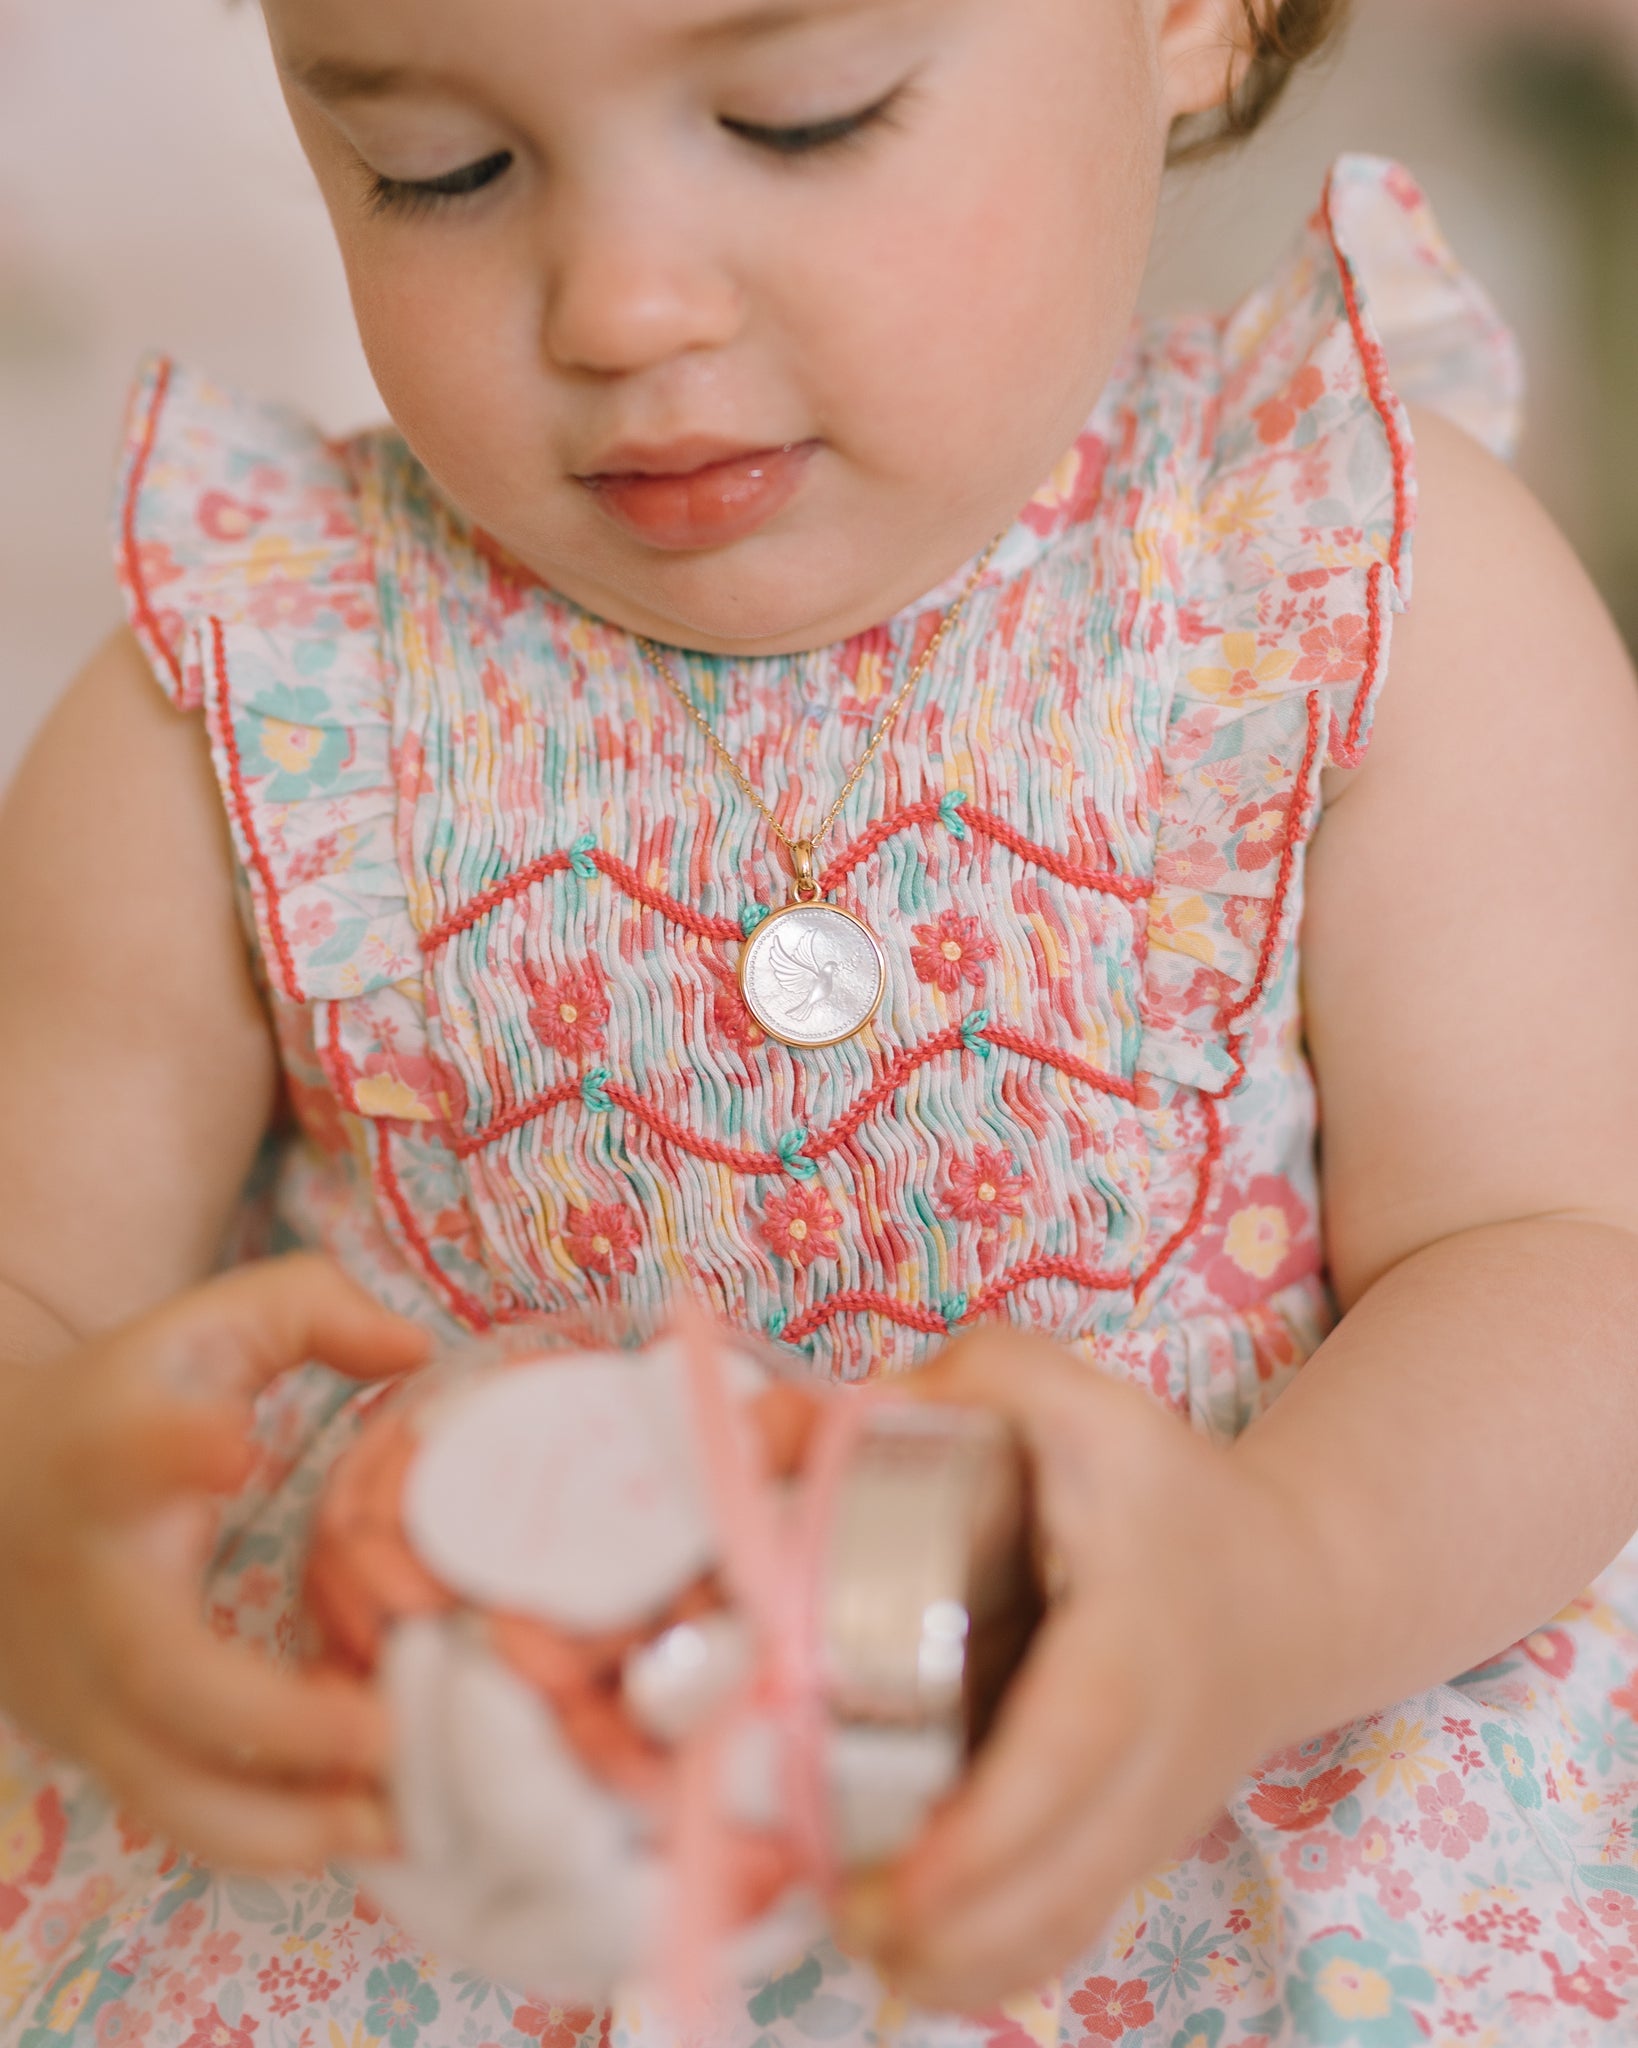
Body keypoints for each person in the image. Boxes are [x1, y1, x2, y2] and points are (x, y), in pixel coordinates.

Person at [2, 0, 1637, 2039]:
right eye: (442, 167)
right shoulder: (250, 677)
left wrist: (1271, 1579)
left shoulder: (1341, 583)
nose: (619, 303)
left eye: (800, 120)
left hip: (1225, 1798)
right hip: (443, 1865)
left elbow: (1560, 1258)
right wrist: (40, 1516)